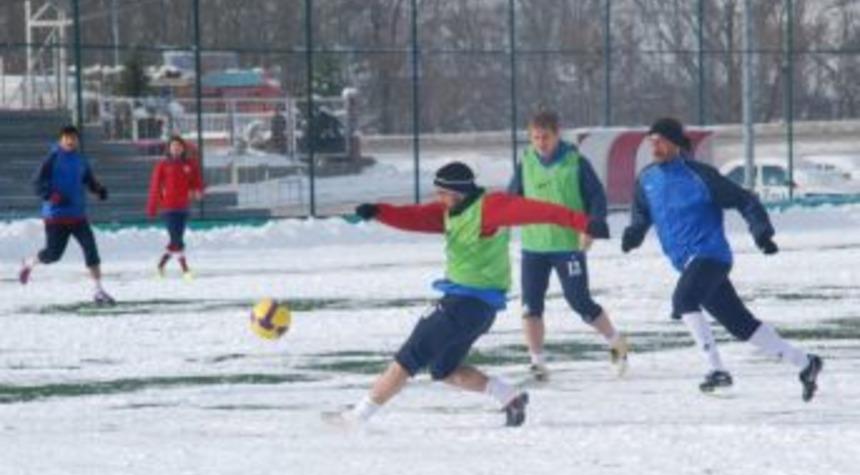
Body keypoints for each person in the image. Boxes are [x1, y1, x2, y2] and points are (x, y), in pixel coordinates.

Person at [330, 161, 592, 427]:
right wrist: (378, 211)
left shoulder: (489, 208)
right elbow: (415, 216)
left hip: (462, 305)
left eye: (442, 193)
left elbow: (540, 211)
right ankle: (509, 397)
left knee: (408, 357)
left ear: (458, 193)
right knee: (444, 369)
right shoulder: (451, 210)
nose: (438, 198)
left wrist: (583, 223)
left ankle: (357, 416)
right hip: (478, 310)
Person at [621, 117, 823, 400]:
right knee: (742, 326)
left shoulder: (701, 176)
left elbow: (745, 200)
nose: (655, 146)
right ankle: (806, 363)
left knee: (683, 301)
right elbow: (641, 214)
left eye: (662, 141)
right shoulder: (646, 179)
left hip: (710, 255)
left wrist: (761, 232)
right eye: (652, 141)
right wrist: (634, 233)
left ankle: (717, 370)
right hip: (687, 263)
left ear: (677, 144)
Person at [508, 111, 628, 381]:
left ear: (557, 134)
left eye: (545, 137)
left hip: (567, 245)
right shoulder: (526, 161)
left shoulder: (575, 161)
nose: (540, 143)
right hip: (534, 246)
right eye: (535, 137)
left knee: (580, 302)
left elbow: (597, 197)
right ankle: (537, 363)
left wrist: (591, 228)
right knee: (530, 306)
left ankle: (617, 344)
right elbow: (512, 198)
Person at [19, 125, 114, 305]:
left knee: (91, 250)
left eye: (73, 138)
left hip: (78, 215)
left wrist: (99, 190)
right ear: (61, 140)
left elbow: (89, 181)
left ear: (77, 141)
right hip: (56, 216)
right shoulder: (52, 158)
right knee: (53, 255)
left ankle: (98, 291)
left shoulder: (81, 160)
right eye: (66, 137)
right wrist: (52, 196)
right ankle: (30, 262)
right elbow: (37, 183)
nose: (70, 141)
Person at [146, 135, 204, 279]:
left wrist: (197, 191)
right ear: (169, 148)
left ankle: (160, 267)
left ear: (183, 148)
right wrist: (153, 206)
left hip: (183, 207)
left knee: (176, 241)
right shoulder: (162, 165)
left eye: (179, 145)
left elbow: (197, 182)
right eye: (173, 146)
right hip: (168, 208)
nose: (176, 148)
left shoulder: (190, 165)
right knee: (177, 240)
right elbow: (155, 186)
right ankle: (185, 270)